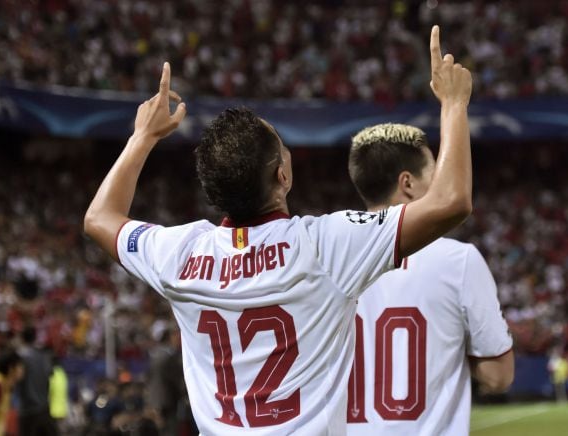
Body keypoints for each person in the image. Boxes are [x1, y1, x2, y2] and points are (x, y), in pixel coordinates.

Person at [84, 26, 473, 435]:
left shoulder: (177, 254)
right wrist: (454, 102)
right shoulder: (324, 247)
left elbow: (99, 218)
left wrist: (142, 137)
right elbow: (451, 202)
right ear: (282, 175)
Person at [345, 123, 514, 435]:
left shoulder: (322, 257)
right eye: (434, 171)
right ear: (407, 182)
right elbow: (498, 377)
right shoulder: (456, 260)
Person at [17, 326, 57, 435]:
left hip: (28, 410)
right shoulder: (44, 356)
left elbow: (17, 379)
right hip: (44, 408)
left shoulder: (21, 356)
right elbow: (50, 374)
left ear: (22, 338)